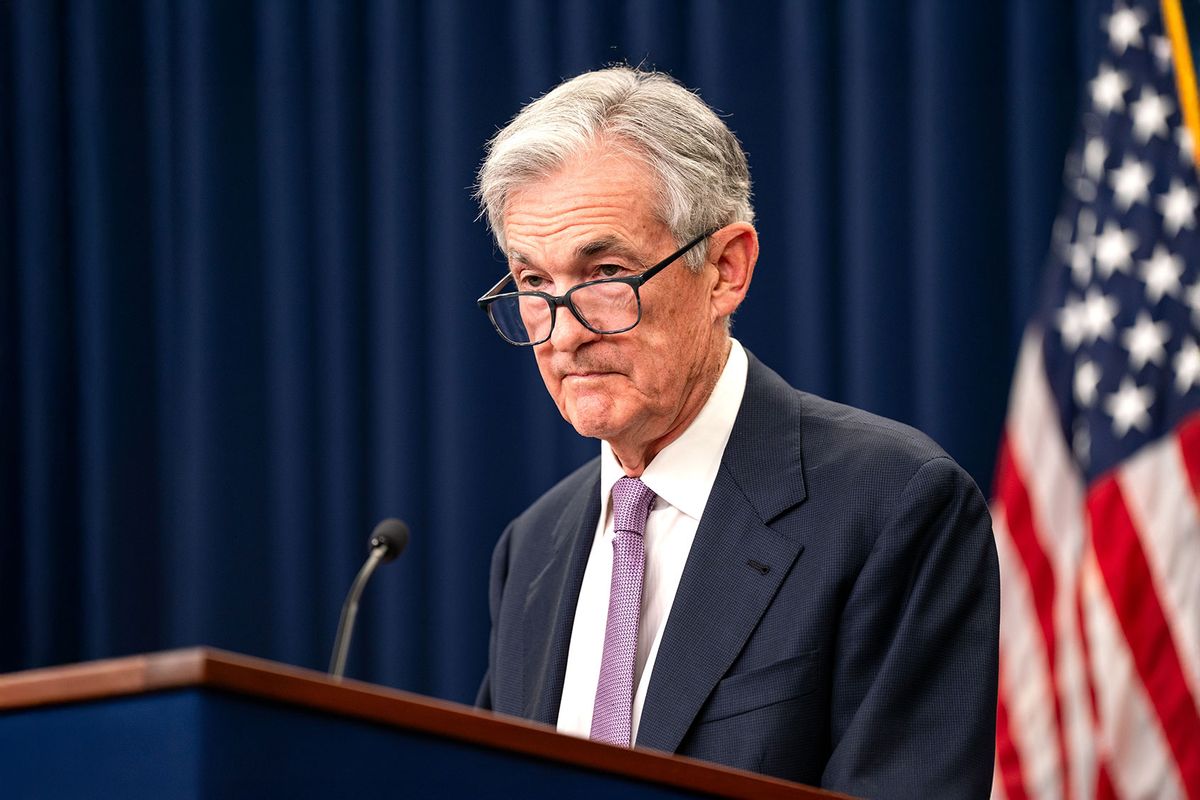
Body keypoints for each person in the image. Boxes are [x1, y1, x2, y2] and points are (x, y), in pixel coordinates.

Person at [473, 66, 999, 798]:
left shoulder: (894, 505)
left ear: (725, 269)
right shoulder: (532, 545)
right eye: (533, 283)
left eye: (605, 271)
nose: (564, 333)